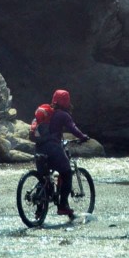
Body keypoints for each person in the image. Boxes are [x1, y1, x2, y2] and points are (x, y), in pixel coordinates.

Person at [34, 89, 90, 220]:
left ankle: (39, 210)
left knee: (44, 178)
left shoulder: (45, 113)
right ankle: (63, 206)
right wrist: (83, 137)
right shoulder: (62, 115)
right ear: (66, 102)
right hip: (53, 149)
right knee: (66, 173)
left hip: (39, 149)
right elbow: (73, 129)